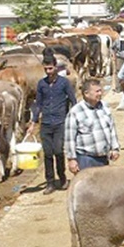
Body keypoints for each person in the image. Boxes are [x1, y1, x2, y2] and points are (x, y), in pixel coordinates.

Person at [28, 54, 77, 195]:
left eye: (50, 68)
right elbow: (38, 104)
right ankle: (50, 182)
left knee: (58, 151)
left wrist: (74, 117)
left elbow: (73, 100)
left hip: (60, 122)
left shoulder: (64, 83)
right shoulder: (41, 84)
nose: (48, 71)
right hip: (46, 123)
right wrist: (33, 122)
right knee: (48, 154)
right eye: (46, 69)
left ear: (56, 67)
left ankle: (62, 178)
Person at [64, 78, 121, 174]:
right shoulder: (76, 112)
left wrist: (114, 148)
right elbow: (70, 138)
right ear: (86, 93)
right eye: (97, 91)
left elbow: (111, 129)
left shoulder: (105, 107)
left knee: (104, 187)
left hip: (103, 158)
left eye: (100, 91)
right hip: (86, 160)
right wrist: (71, 159)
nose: (100, 93)